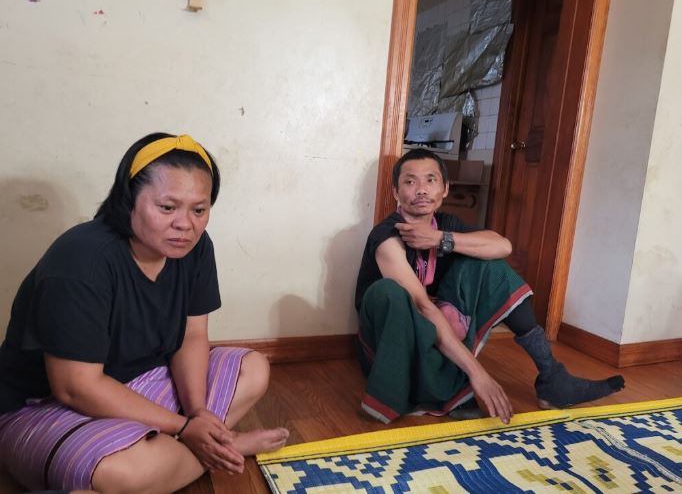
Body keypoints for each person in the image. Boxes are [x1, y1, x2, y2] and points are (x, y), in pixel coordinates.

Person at [0, 133, 289, 492]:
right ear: (129, 202)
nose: (185, 224)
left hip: (140, 385)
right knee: (121, 474)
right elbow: (75, 388)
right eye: (167, 208)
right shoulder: (80, 261)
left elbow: (192, 335)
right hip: (45, 409)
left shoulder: (195, 249)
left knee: (254, 369)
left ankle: (186, 451)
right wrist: (183, 428)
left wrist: (197, 412)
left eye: (199, 210)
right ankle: (224, 448)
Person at [355, 148, 624, 424]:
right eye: (410, 182)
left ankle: (551, 375)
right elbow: (422, 307)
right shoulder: (387, 236)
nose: (421, 189)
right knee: (388, 293)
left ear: (445, 189)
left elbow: (502, 246)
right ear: (396, 192)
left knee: (487, 264)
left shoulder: (444, 225)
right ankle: (416, 389)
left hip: (437, 325)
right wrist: (479, 374)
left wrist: (440, 239)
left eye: (431, 180)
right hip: (394, 340)